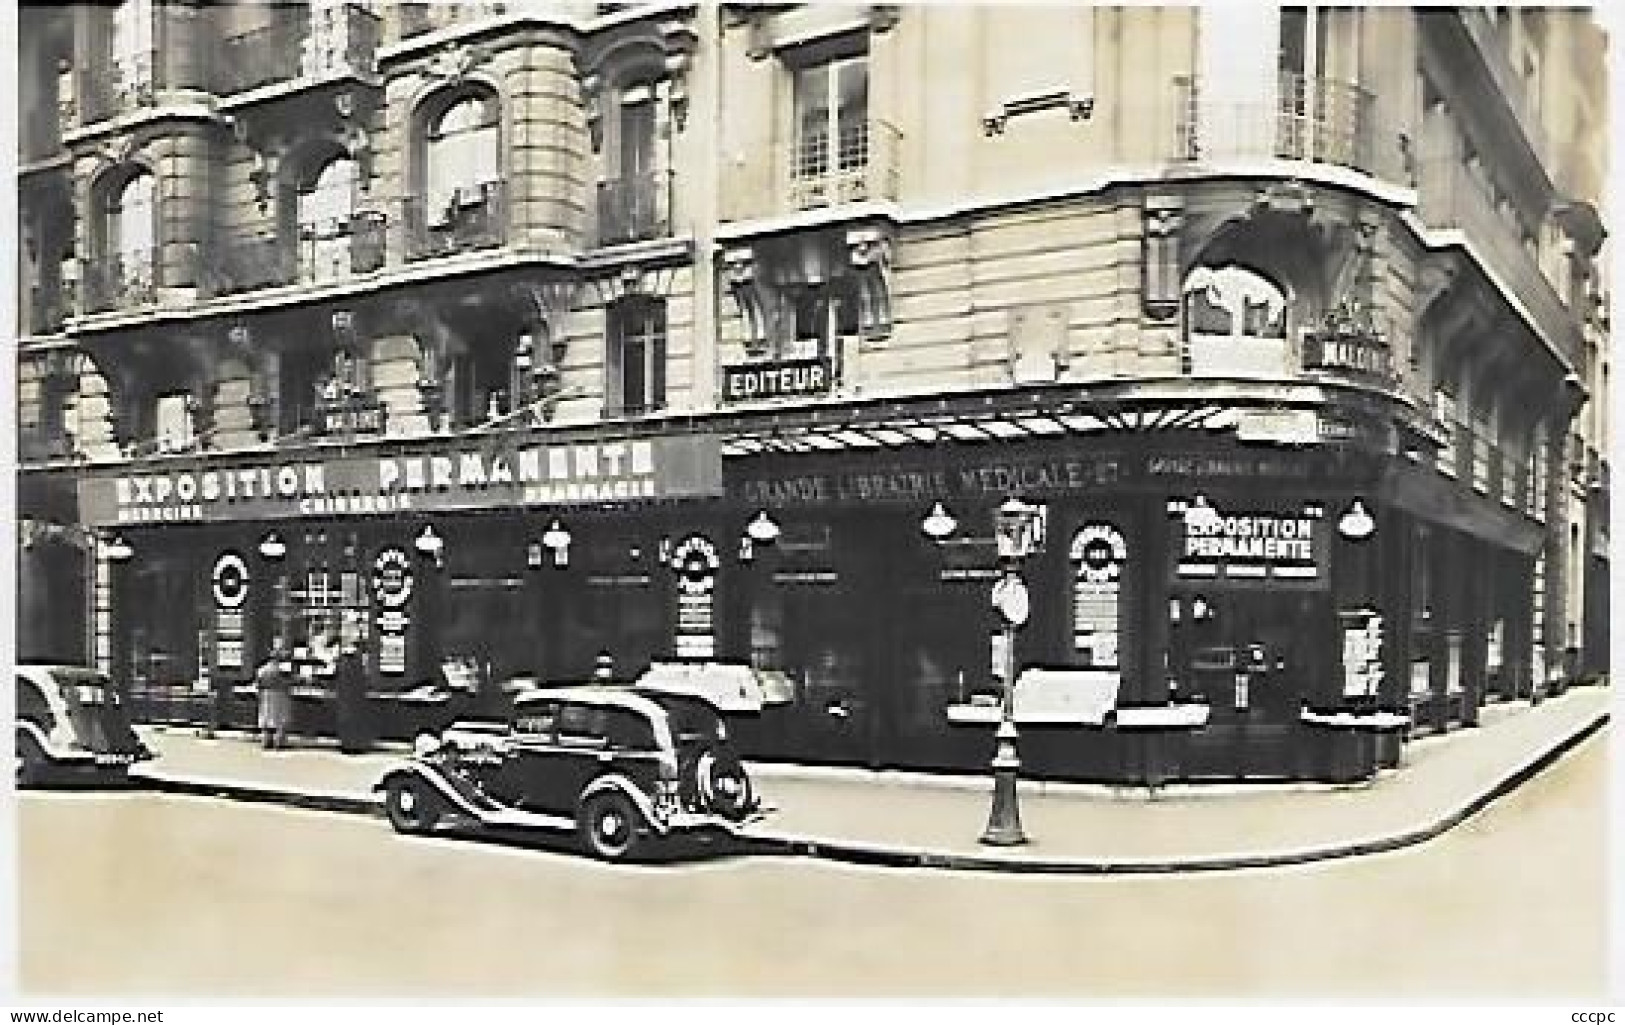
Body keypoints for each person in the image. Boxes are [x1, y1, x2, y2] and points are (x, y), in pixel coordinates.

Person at [334, 643, 372, 754]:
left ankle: (347, 745)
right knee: (355, 721)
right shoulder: (357, 664)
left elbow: (337, 680)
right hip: (355, 699)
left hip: (344, 698)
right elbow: (362, 681)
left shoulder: (341, 664)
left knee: (345, 722)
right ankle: (354, 745)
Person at [256, 646, 293, 750]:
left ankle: (265, 741)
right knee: (280, 720)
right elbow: (286, 683)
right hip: (279, 696)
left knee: (266, 719)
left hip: (266, 695)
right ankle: (279, 742)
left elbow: (258, 684)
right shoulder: (280, 671)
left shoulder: (262, 670)